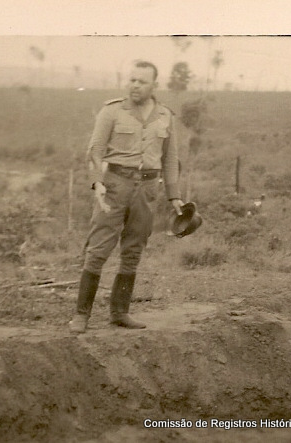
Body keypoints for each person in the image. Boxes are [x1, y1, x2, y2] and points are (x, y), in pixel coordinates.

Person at [69, 60, 183, 334]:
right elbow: (95, 152)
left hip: (147, 190)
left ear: (154, 85)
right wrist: (97, 184)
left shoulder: (165, 116)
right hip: (115, 187)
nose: (134, 85)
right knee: (98, 249)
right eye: (131, 80)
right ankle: (81, 315)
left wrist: (174, 197)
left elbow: (170, 159)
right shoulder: (111, 111)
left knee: (133, 252)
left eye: (141, 81)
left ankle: (120, 313)